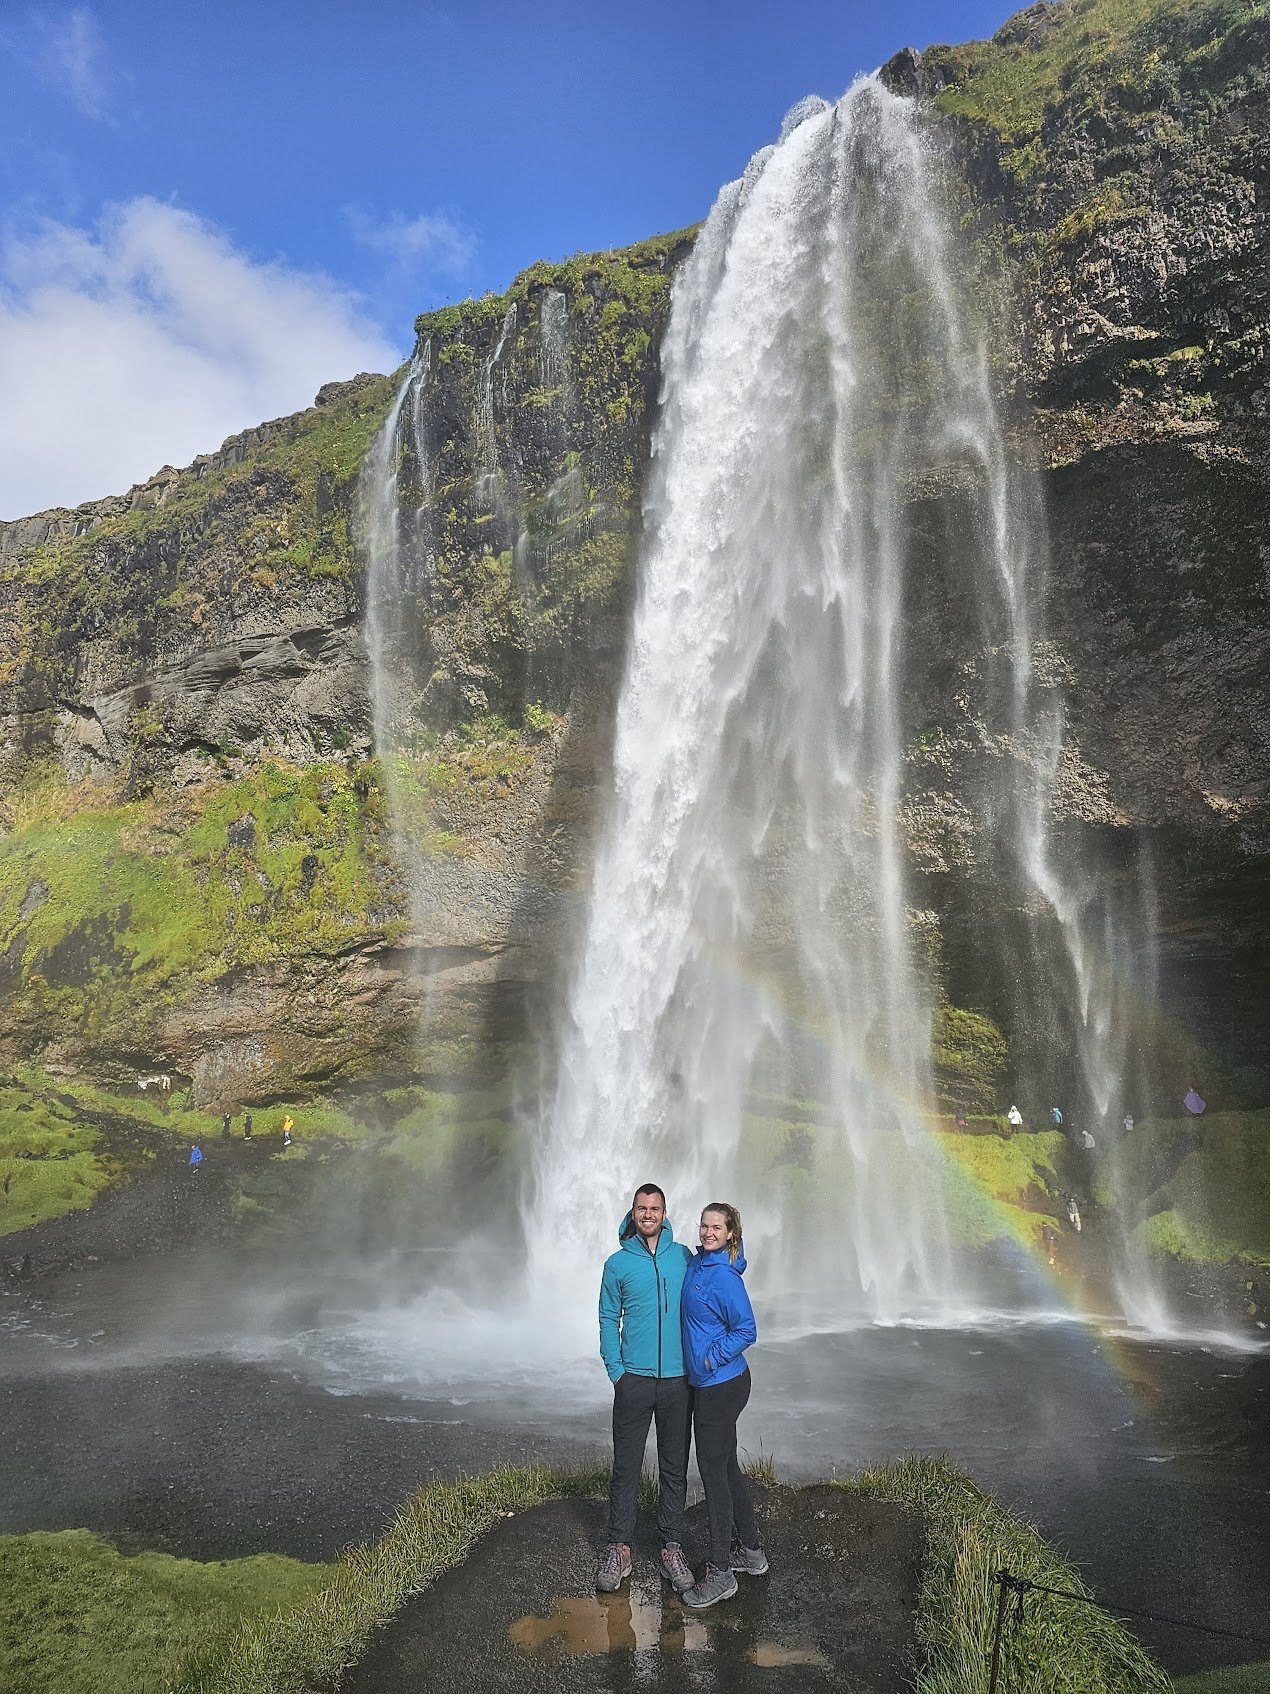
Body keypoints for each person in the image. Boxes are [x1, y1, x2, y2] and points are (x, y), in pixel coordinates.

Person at [596, 1184, 694, 1598]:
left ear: (664, 1212)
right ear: (633, 1212)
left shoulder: (684, 1257)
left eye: (655, 1208)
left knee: (674, 1468)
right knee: (626, 1467)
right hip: (633, 1381)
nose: (648, 1214)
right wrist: (616, 1370)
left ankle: (672, 1548)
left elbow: (723, 1270)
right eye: (642, 1208)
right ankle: (621, 1547)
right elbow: (606, 1318)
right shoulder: (617, 1264)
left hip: (677, 1380)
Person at [680, 1202, 763, 1610]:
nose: (708, 1231)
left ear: (731, 1233)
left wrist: (711, 1357)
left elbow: (748, 1328)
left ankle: (721, 1573)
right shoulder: (698, 1262)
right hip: (713, 1383)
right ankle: (750, 1552)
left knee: (712, 1474)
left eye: (717, 1227)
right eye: (705, 1225)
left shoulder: (725, 1278)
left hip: (721, 1384)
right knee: (726, 1465)